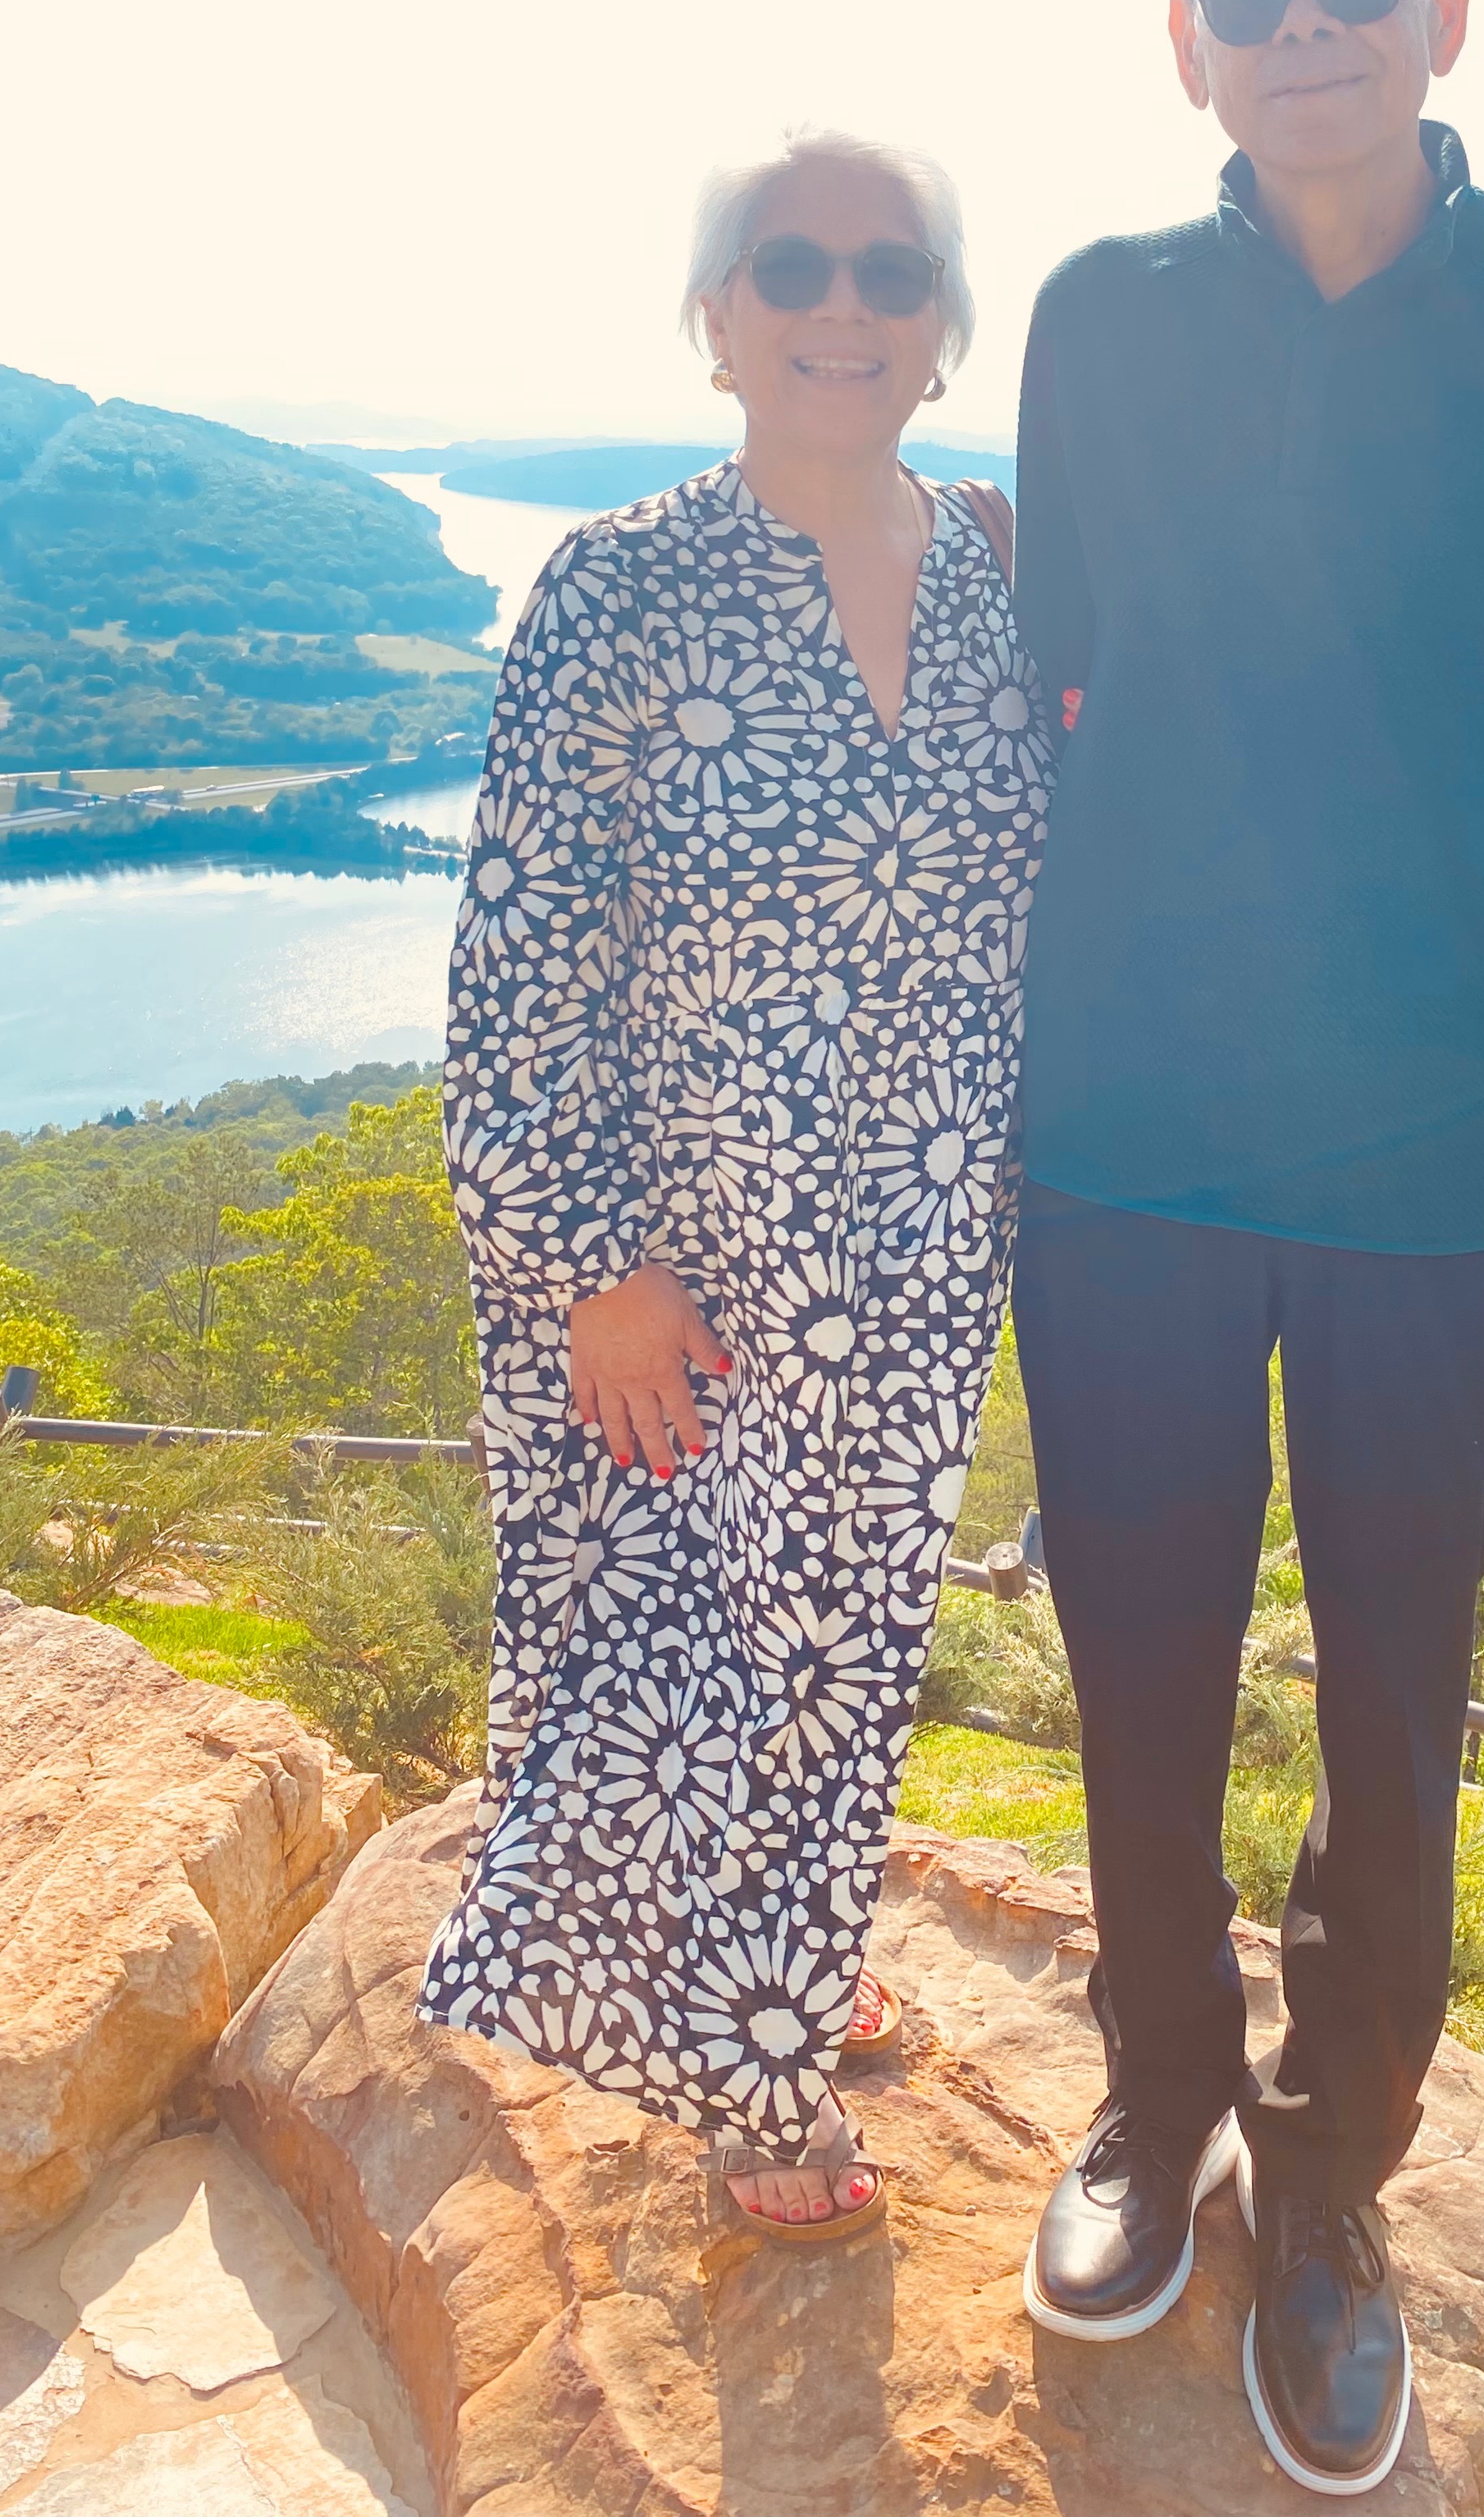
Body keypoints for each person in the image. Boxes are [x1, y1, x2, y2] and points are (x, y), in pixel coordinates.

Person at [1011, 0, 1484, 2491]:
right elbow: (1053, 696)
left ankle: (1330, 2183)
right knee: (1140, 1671)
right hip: (1129, 1149)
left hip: (1440, 1171)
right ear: (1185, 40)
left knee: (1396, 1705)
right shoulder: (1099, 320)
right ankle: (1156, 2101)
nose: (1301, 15)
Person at [418, 130, 1049, 2240]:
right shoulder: (621, 585)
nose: (843, 306)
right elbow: (519, 955)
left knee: (846, 1641)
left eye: (892, 271)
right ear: (717, 316)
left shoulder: (994, 571)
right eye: (793, 266)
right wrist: (588, 1265)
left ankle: (781, 1954)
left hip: (924, 1240)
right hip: (686, 1252)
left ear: (944, 325)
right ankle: (758, 2082)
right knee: (691, 1656)